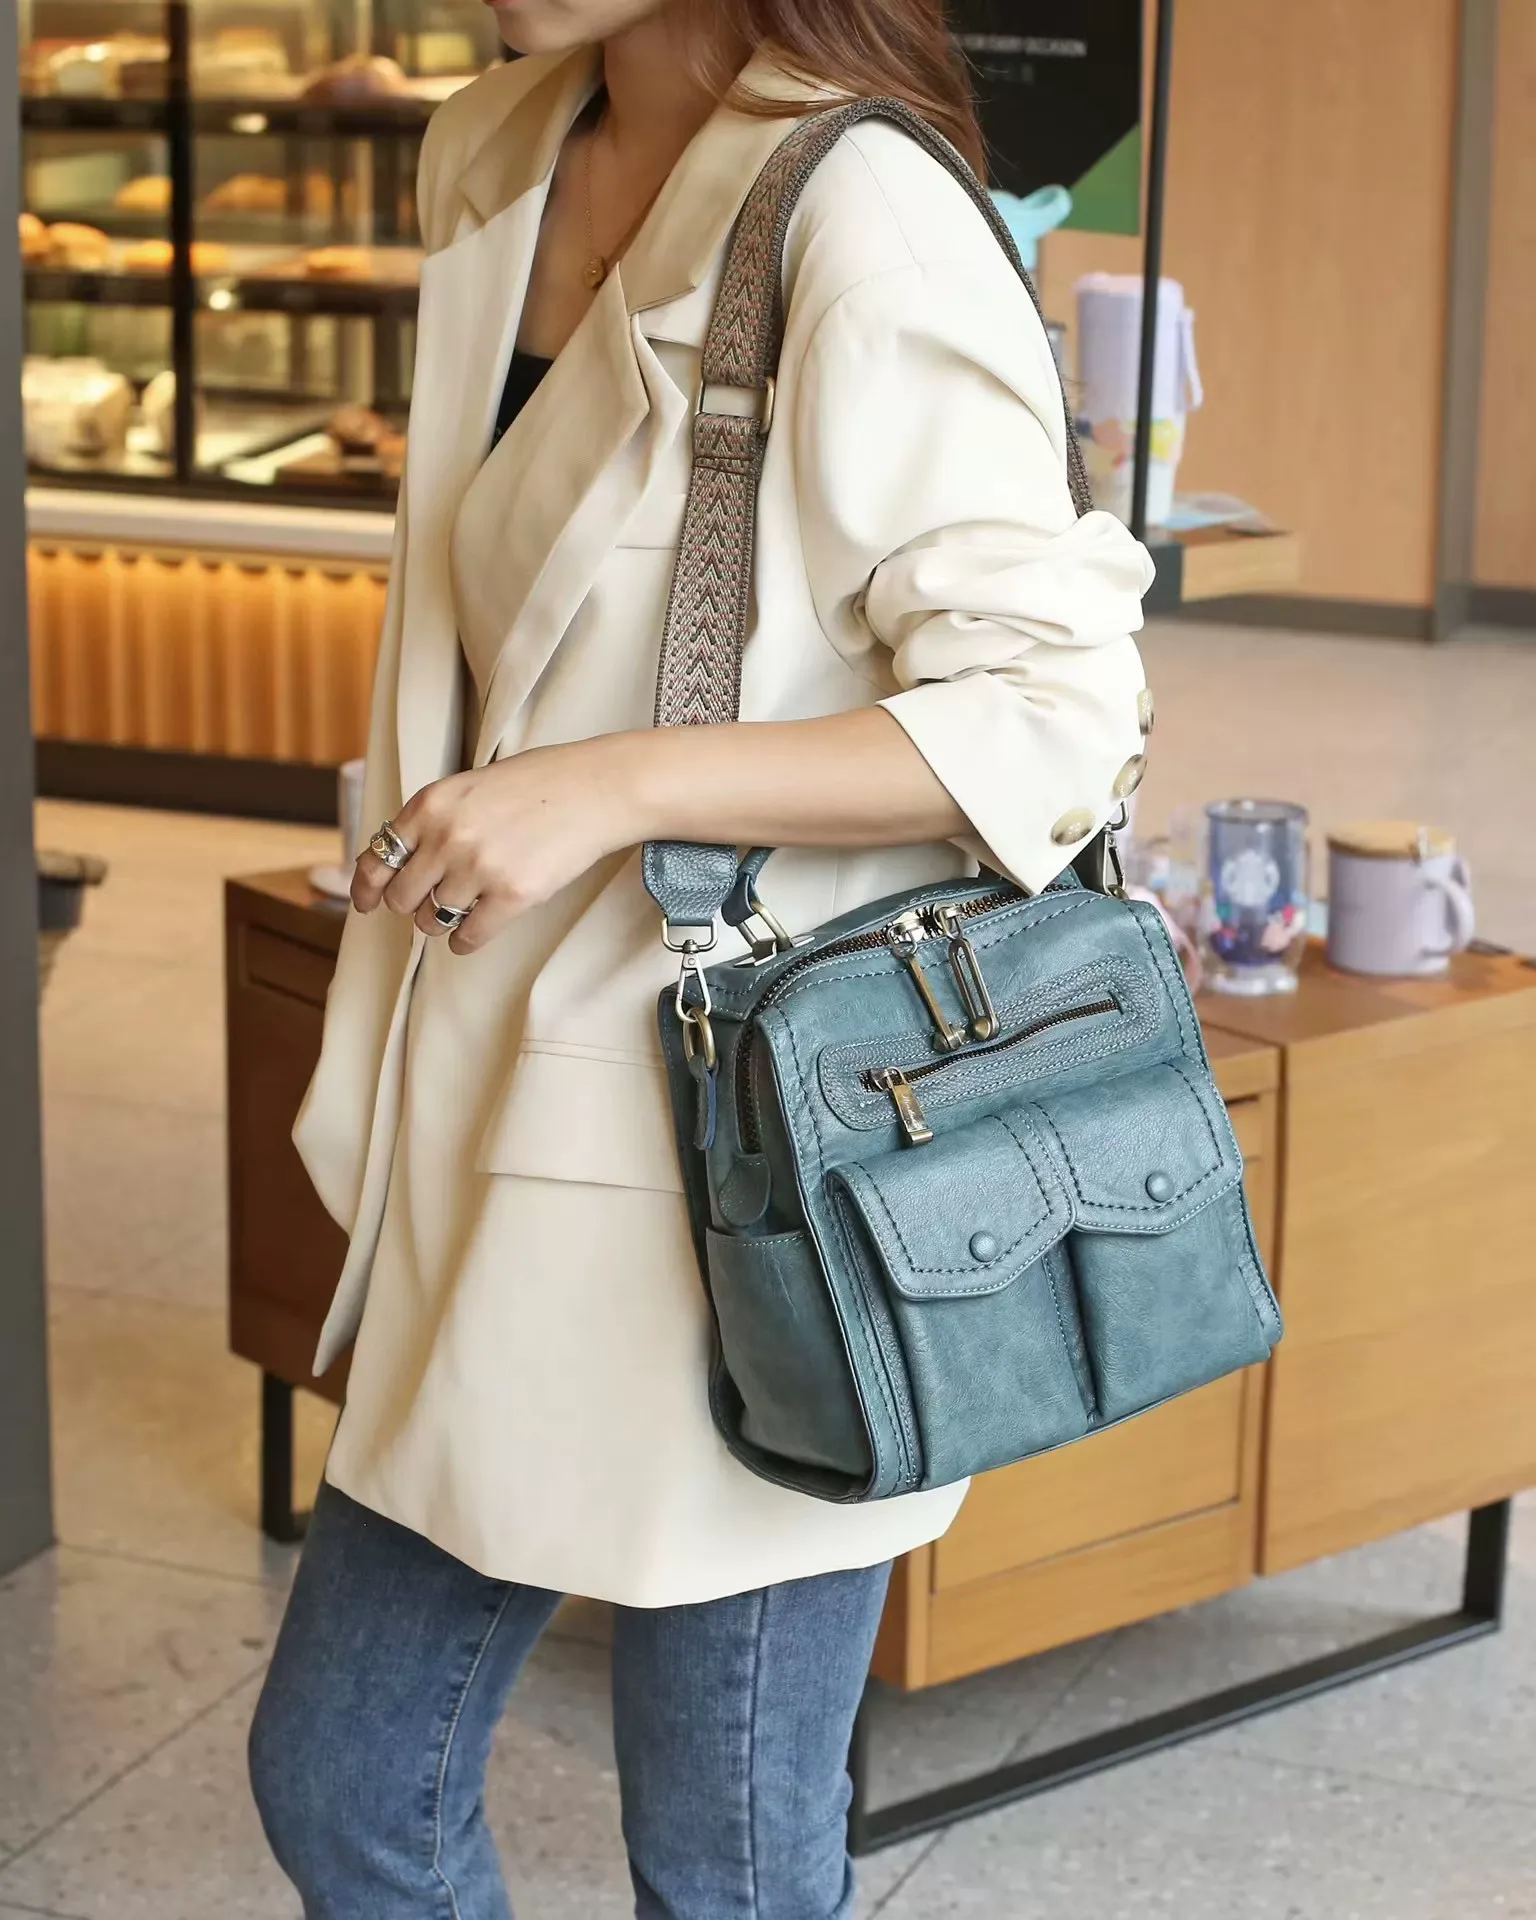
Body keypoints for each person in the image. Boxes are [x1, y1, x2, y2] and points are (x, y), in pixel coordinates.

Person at [248, 0, 1155, 1913]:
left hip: (774, 1161)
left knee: (725, 1857)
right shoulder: (498, 150)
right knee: (347, 1778)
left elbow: (1053, 716)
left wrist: (601, 791)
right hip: (505, 1099)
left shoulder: (860, 207)